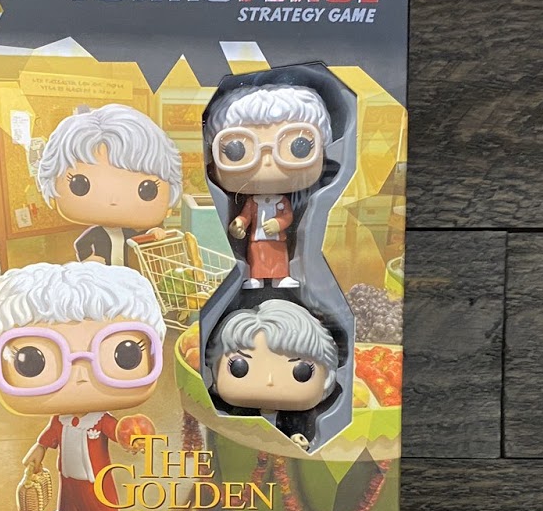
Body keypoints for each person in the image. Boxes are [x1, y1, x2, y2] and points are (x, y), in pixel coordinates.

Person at [0, 261, 163, 511]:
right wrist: (38, 449)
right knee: (70, 496)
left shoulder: (100, 420)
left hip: (96, 475)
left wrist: (134, 440)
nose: (79, 375)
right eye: (32, 360)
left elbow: (118, 432)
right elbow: (50, 435)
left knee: (100, 497)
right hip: (69, 475)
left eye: (124, 354)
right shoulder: (61, 420)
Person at [205, 85, 332, 287]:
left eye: (299, 146)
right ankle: (255, 277)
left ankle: (281, 277)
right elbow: (246, 215)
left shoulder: (282, 201)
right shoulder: (252, 202)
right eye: (236, 150)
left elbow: (288, 216)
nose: (267, 161)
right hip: (257, 238)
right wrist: (239, 224)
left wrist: (279, 224)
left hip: (276, 237)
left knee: (279, 256)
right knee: (256, 255)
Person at [35, 104, 182, 266]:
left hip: (125, 272)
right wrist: (88, 259)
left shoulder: (128, 233)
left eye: (147, 189)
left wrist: (153, 233)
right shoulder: (94, 234)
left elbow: (139, 241)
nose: (113, 199)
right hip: (100, 273)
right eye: (80, 184)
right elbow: (80, 244)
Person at [205, 298, 339, 450]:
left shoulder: (297, 418)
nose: (269, 380)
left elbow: (299, 432)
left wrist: (297, 438)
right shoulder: (239, 414)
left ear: (327, 376)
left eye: (301, 371)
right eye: (239, 368)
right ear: (213, 368)